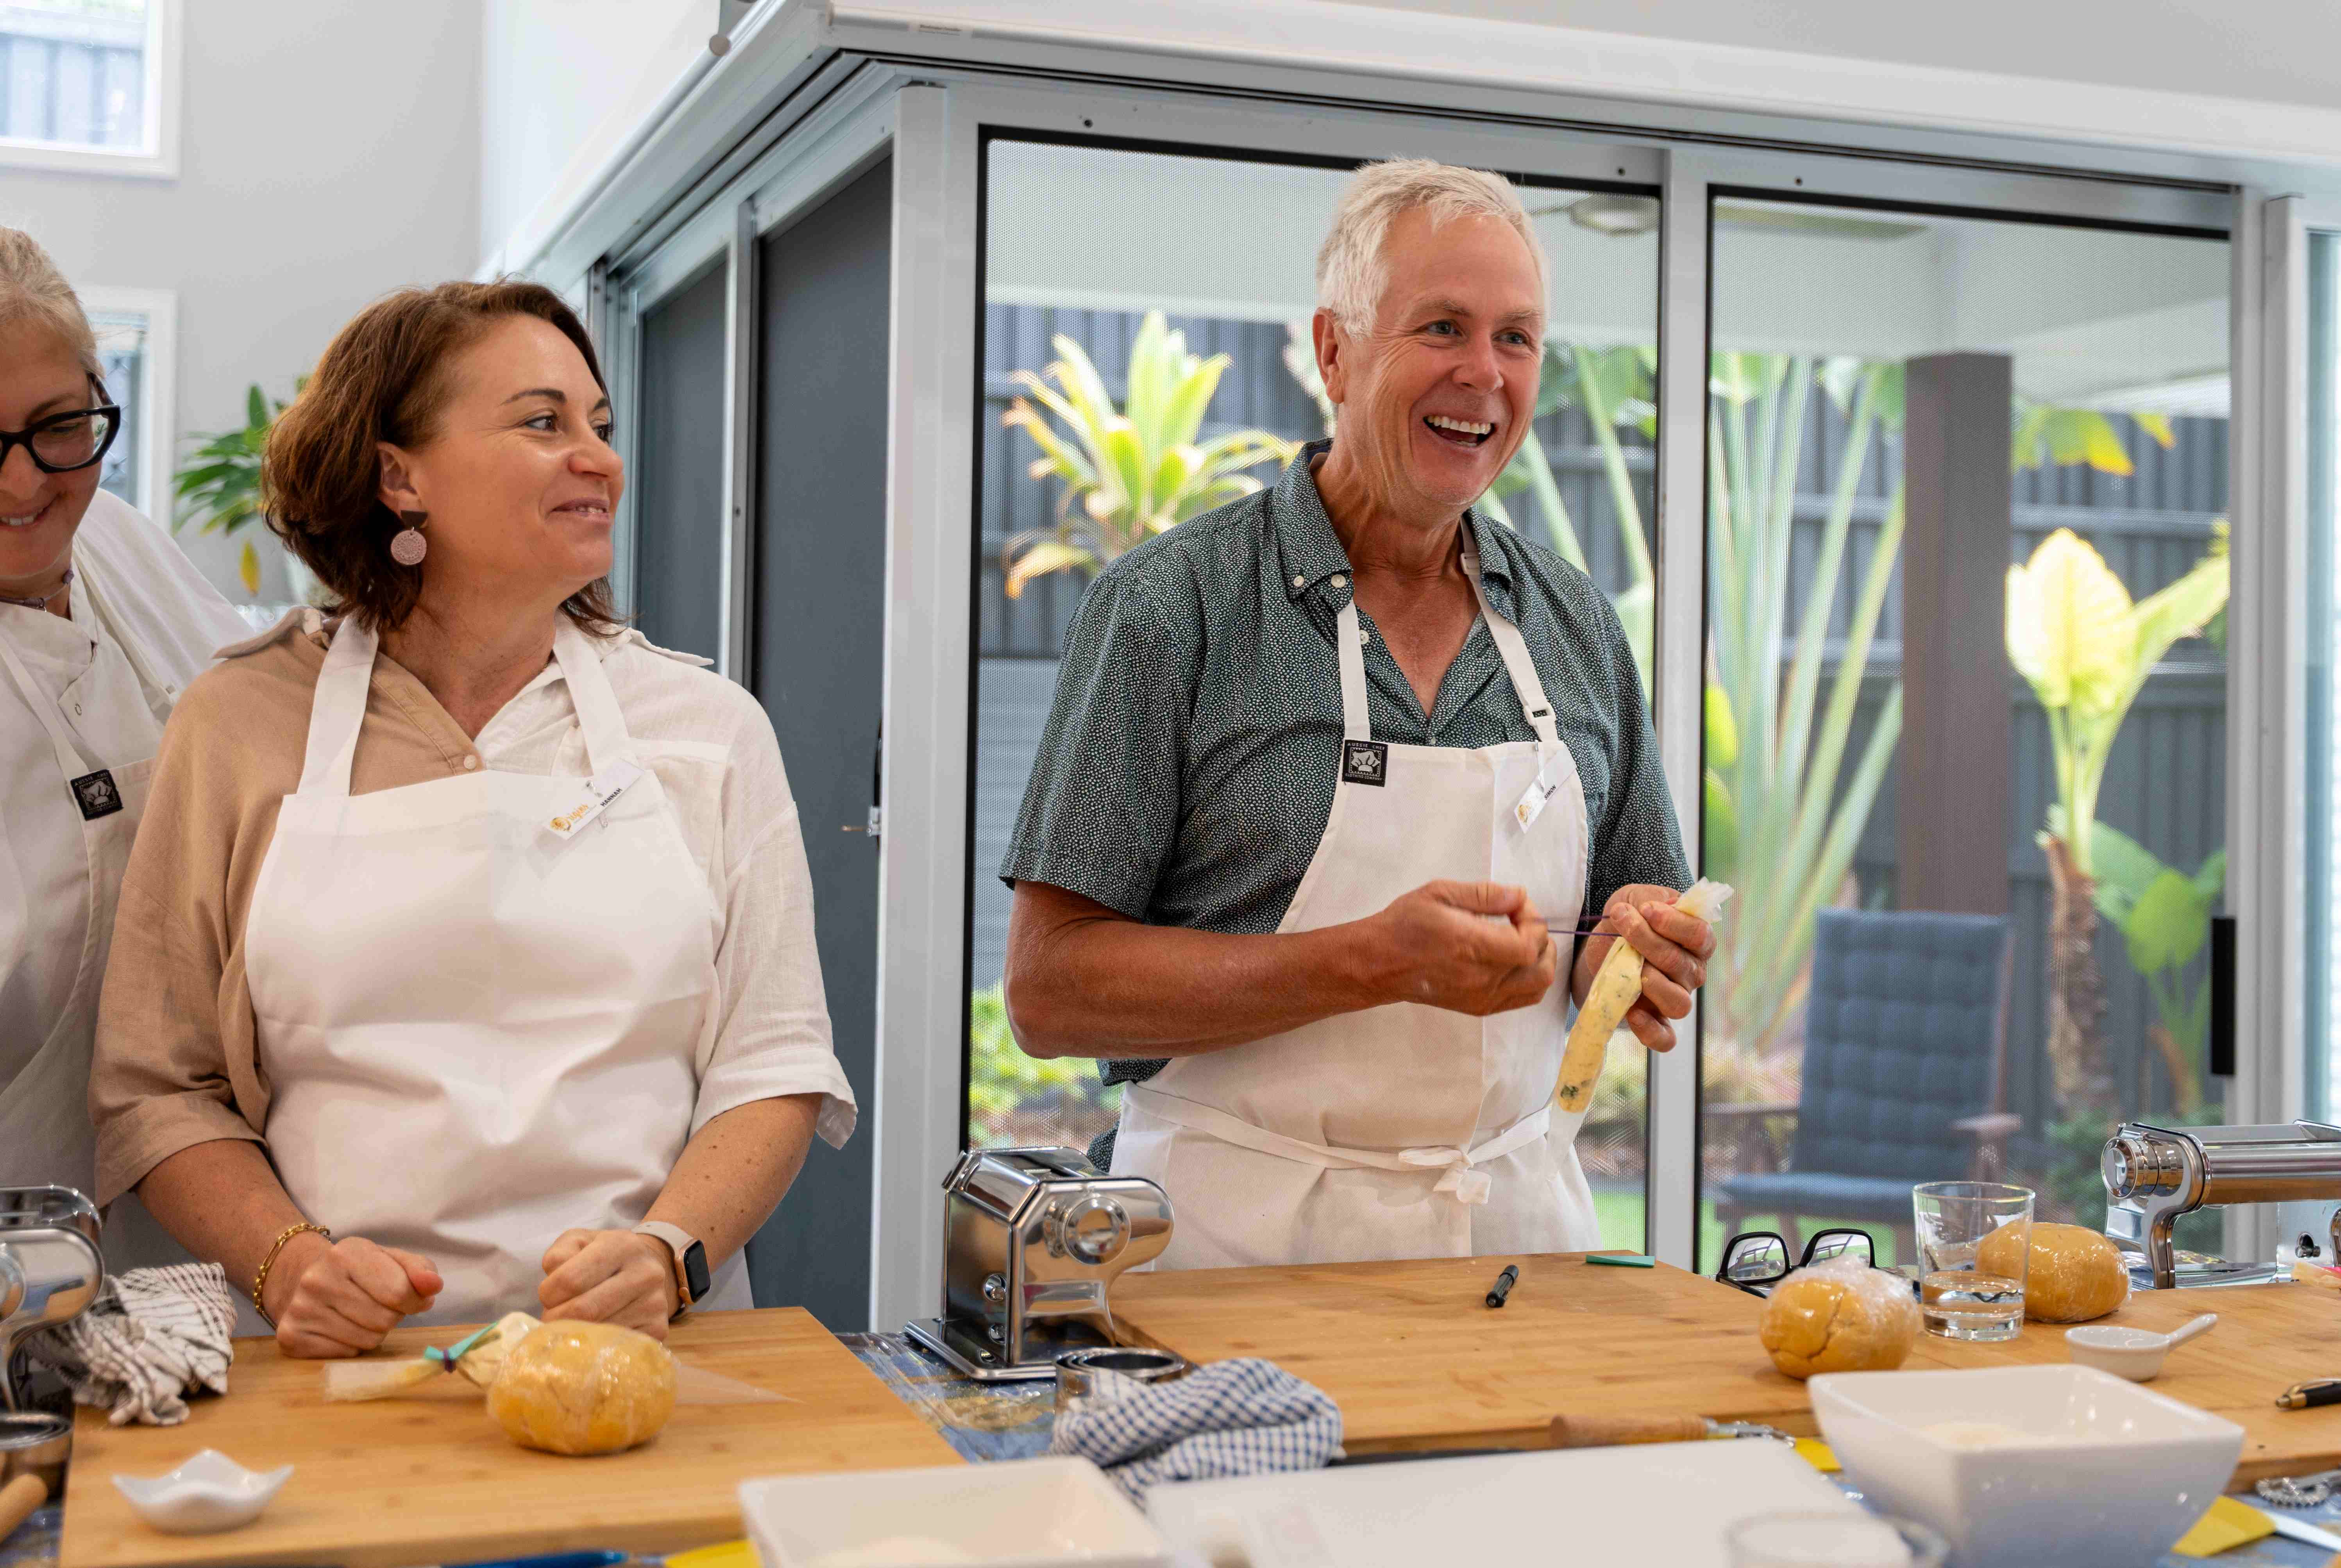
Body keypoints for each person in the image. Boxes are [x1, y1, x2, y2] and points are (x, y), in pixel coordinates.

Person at [91, 281, 855, 1356]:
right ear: (400, 474)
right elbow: (157, 1085)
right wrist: (293, 1263)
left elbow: (773, 1063)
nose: (598, 458)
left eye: (601, 425)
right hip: (343, 1372)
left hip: (650, 1357)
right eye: (544, 423)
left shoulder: (709, 729)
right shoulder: (236, 722)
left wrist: (668, 1253)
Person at [1001, 160, 1713, 1271]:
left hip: (1513, 1250)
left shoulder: (1576, 621)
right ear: (1334, 351)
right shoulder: (1168, 609)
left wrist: (1634, 946)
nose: (1484, 373)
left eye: (1518, 338)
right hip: (1232, 1256)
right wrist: (1374, 962)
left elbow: (1631, 915)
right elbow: (1049, 994)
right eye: (1443, 327)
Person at [0, 228, 250, 1268]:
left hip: (205, 1231)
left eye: (61, 427)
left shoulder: (121, 542)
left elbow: (260, 709)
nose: (23, 487)